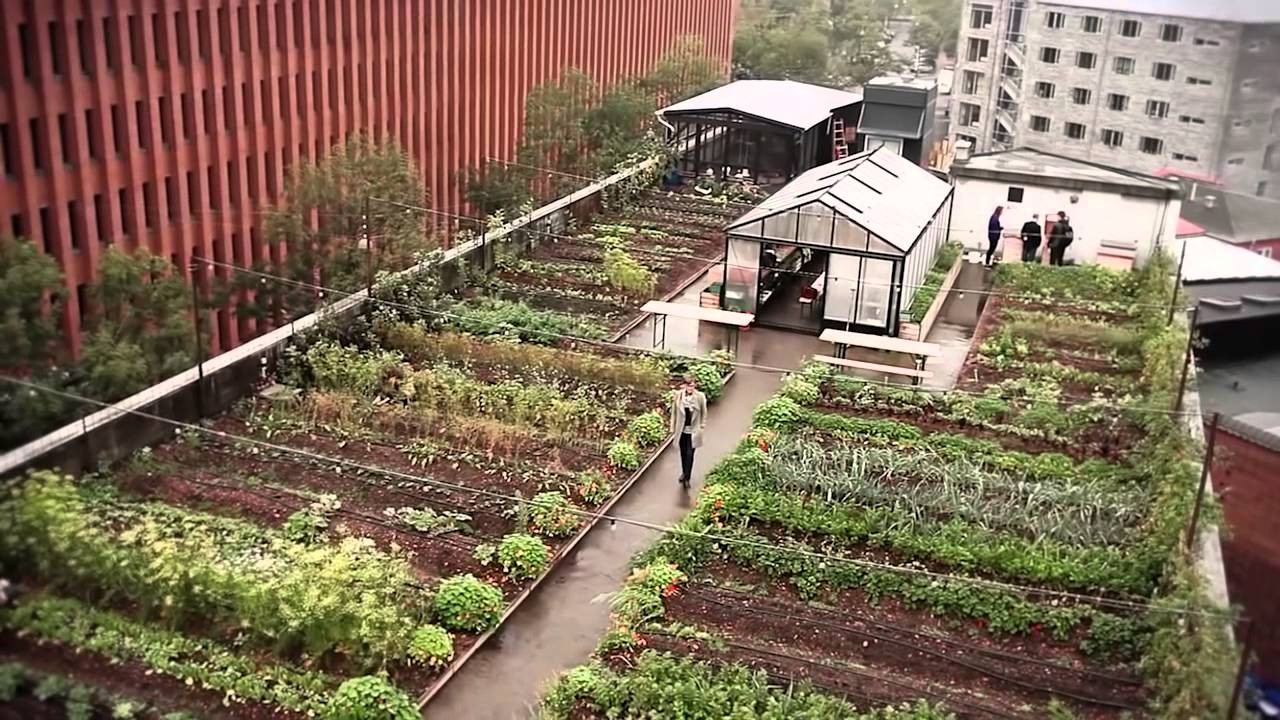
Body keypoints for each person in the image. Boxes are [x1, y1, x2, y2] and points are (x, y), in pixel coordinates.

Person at [669, 375, 707, 487]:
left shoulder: (700, 397)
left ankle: (687, 477)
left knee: (690, 454)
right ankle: (683, 473)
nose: (691, 388)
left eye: (693, 386)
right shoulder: (678, 396)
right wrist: (672, 428)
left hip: (693, 431)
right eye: (689, 386)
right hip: (682, 431)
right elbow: (674, 413)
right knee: (683, 453)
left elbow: (704, 413)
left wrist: (701, 426)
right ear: (685, 386)